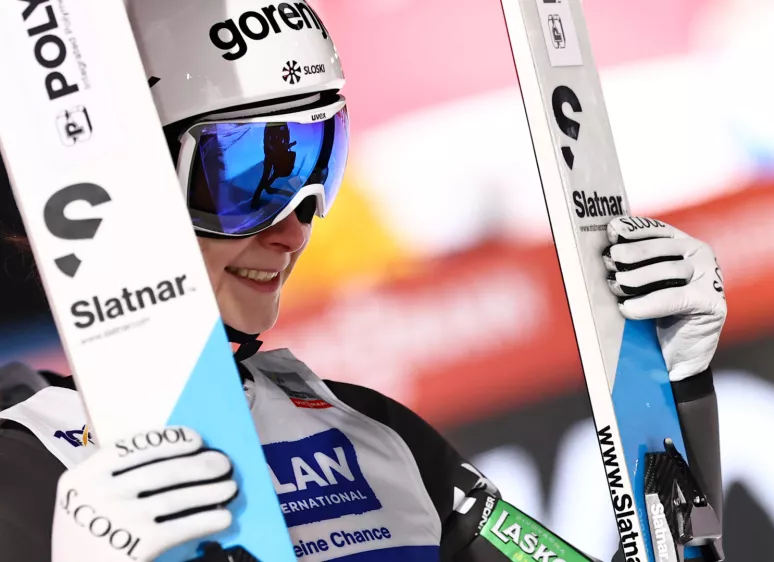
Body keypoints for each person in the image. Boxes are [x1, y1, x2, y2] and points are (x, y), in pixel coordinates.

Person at [0, 0, 729, 560]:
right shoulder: (22, 460)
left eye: (321, 160)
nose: (296, 223)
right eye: (249, 172)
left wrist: (669, 393)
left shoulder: (378, 435)